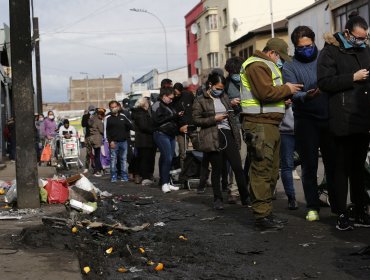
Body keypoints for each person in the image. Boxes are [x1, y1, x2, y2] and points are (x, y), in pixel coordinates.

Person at [240, 38, 303, 230]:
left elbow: (266, 97)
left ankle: (266, 213)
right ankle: (261, 216)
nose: (280, 61)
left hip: (268, 124)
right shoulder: (257, 65)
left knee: (271, 170)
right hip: (259, 126)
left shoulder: (264, 64)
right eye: (280, 57)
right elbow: (264, 93)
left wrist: (282, 102)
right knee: (261, 170)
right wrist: (287, 89)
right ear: (272, 53)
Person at [317, 12, 370, 230]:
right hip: (340, 121)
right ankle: (341, 213)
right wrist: (352, 78)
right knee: (340, 170)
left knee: (359, 169)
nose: (362, 41)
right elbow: (324, 82)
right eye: (358, 37)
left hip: (362, 120)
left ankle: (360, 209)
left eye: (365, 38)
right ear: (347, 33)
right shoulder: (330, 51)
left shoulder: (366, 51)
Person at [283, 26, 334, 221]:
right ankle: (312, 206)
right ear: (295, 47)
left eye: (309, 45)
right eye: (301, 47)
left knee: (333, 164)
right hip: (306, 121)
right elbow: (293, 93)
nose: (306, 49)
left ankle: (337, 205)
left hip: (329, 117)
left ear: (314, 43)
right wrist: (307, 95)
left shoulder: (325, 57)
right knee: (309, 166)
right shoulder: (289, 66)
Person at [192, 72, 250, 210]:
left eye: (222, 88)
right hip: (212, 135)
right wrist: (214, 119)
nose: (220, 91)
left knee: (237, 167)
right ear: (210, 85)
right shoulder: (200, 100)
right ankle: (217, 199)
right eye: (217, 88)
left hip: (228, 133)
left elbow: (230, 114)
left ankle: (245, 196)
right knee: (217, 169)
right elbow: (196, 119)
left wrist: (233, 106)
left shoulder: (224, 97)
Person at [152, 87, 181, 193]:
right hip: (161, 134)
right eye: (170, 98)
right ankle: (164, 183)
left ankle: (167, 182)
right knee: (167, 158)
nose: (171, 100)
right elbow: (156, 120)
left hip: (170, 134)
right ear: (164, 96)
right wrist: (172, 116)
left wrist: (176, 116)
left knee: (169, 158)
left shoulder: (169, 105)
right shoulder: (156, 105)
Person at [104, 100, 133, 183]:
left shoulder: (123, 116)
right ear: (109, 108)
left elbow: (130, 125)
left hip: (124, 142)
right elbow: (106, 132)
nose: (113, 108)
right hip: (114, 143)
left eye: (115, 107)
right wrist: (110, 142)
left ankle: (124, 176)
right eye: (112, 107)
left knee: (123, 160)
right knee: (113, 160)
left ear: (118, 107)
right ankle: (113, 176)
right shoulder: (107, 118)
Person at [131, 96, 156, 186]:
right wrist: (154, 129)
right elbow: (144, 126)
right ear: (144, 104)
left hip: (144, 139)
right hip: (144, 139)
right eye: (147, 103)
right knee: (145, 159)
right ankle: (145, 177)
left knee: (143, 159)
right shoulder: (141, 113)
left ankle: (143, 176)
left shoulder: (140, 112)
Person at [278, 100, 298, 210]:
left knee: (308, 164)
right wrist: (282, 103)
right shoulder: (280, 84)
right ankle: (291, 197)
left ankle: (312, 199)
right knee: (287, 165)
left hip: (303, 130)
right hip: (285, 132)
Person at [172, 82, 194, 171]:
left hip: (192, 127)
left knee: (199, 151)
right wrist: (179, 128)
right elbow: (172, 118)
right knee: (183, 153)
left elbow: (195, 107)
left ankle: (202, 176)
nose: (176, 95)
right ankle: (184, 175)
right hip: (180, 130)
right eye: (175, 93)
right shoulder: (172, 100)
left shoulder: (188, 95)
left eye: (178, 93)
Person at [88, 108, 106, 177]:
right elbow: (102, 130)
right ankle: (97, 170)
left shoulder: (92, 119)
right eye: (102, 115)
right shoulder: (98, 121)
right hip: (97, 138)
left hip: (92, 138)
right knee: (98, 156)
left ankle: (98, 168)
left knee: (96, 155)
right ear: (99, 115)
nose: (102, 117)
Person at [81, 105, 95, 173]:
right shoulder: (85, 116)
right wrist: (89, 119)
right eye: (91, 110)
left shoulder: (96, 116)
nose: (92, 111)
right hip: (88, 136)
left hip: (95, 136)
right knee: (88, 152)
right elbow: (83, 124)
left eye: (93, 110)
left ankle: (96, 166)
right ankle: (86, 167)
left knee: (96, 152)